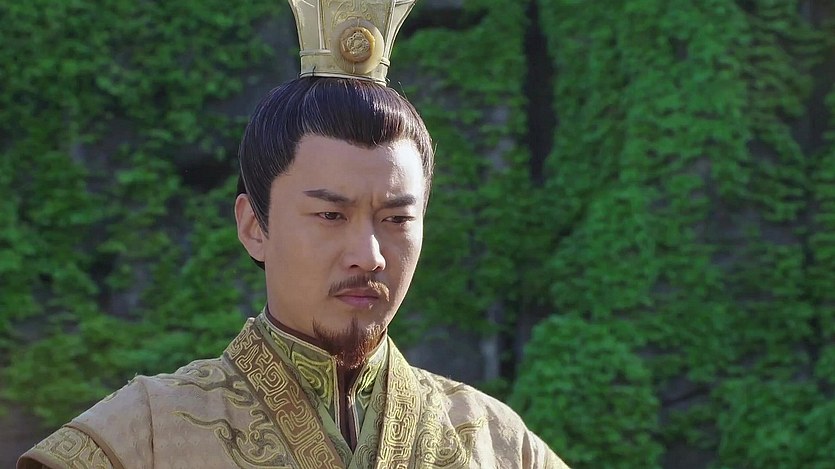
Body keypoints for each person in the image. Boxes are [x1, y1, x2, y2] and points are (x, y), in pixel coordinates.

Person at [18, 1, 569, 468]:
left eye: (396, 219)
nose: (369, 256)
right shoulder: (141, 436)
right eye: (330, 215)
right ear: (253, 226)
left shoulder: (499, 444)